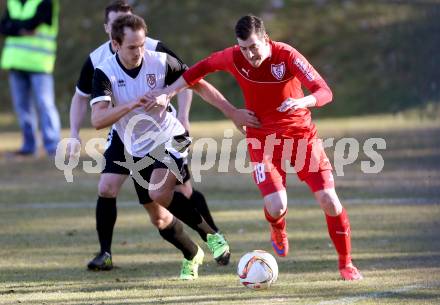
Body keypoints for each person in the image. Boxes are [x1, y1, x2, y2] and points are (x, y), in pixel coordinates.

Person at [150, 15, 363, 281]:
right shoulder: (233, 57)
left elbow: (324, 91)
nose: (249, 54)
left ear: (266, 39)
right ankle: (278, 227)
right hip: (262, 139)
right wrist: (168, 92)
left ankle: (346, 264)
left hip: (301, 137)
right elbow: (197, 70)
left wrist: (303, 101)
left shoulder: (286, 55)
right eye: (243, 47)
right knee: (276, 205)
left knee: (330, 201)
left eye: (253, 46)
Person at [69, 1, 229, 273]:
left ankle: (213, 236)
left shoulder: (159, 58)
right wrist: (131, 104)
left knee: (164, 191)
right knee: (157, 215)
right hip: (135, 145)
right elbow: (97, 119)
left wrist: (230, 111)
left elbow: (195, 81)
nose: (140, 51)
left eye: (142, 44)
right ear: (114, 41)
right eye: (132, 47)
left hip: (171, 136)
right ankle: (192, 253)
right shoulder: (103, 69)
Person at [0, 0, 61, 157]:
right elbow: (3, 27)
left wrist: (15, 27)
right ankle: (29, 146)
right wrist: (21, 28)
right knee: (22, 107)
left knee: (45, 104)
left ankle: (53, 147)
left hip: (39, 64)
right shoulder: (12, 2)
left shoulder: (46, 2)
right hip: (15, 62)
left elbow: (32, 24)